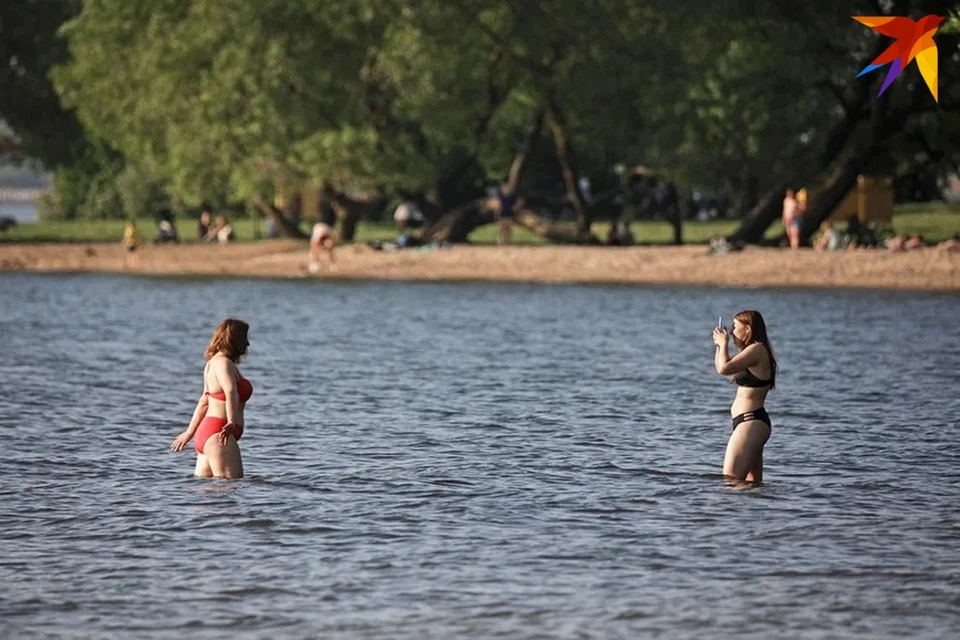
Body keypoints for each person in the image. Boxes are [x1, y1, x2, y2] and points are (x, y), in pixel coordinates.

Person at [171, 318, 253, 478]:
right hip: (220, 433)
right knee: (231, 489)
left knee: (209, 498)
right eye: (245, 339)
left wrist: (190, 433)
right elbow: (231, 392)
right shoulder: (224, 363)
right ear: (234, 339)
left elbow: (204, 401)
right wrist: (231, 422)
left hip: (208, 433)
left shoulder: (212, 363)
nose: (247, 344)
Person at [712, 310, 778, 483]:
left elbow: (723, 368)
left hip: (751, 422)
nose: (732, 331)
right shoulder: (752, 351)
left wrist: (724, 343)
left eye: (735, 327)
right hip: (749, 422)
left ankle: (729, 511)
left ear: (748, 329)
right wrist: (720, 346)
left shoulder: (757, 349)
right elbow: (722, 367)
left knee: (731, 481)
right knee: (752, 486)